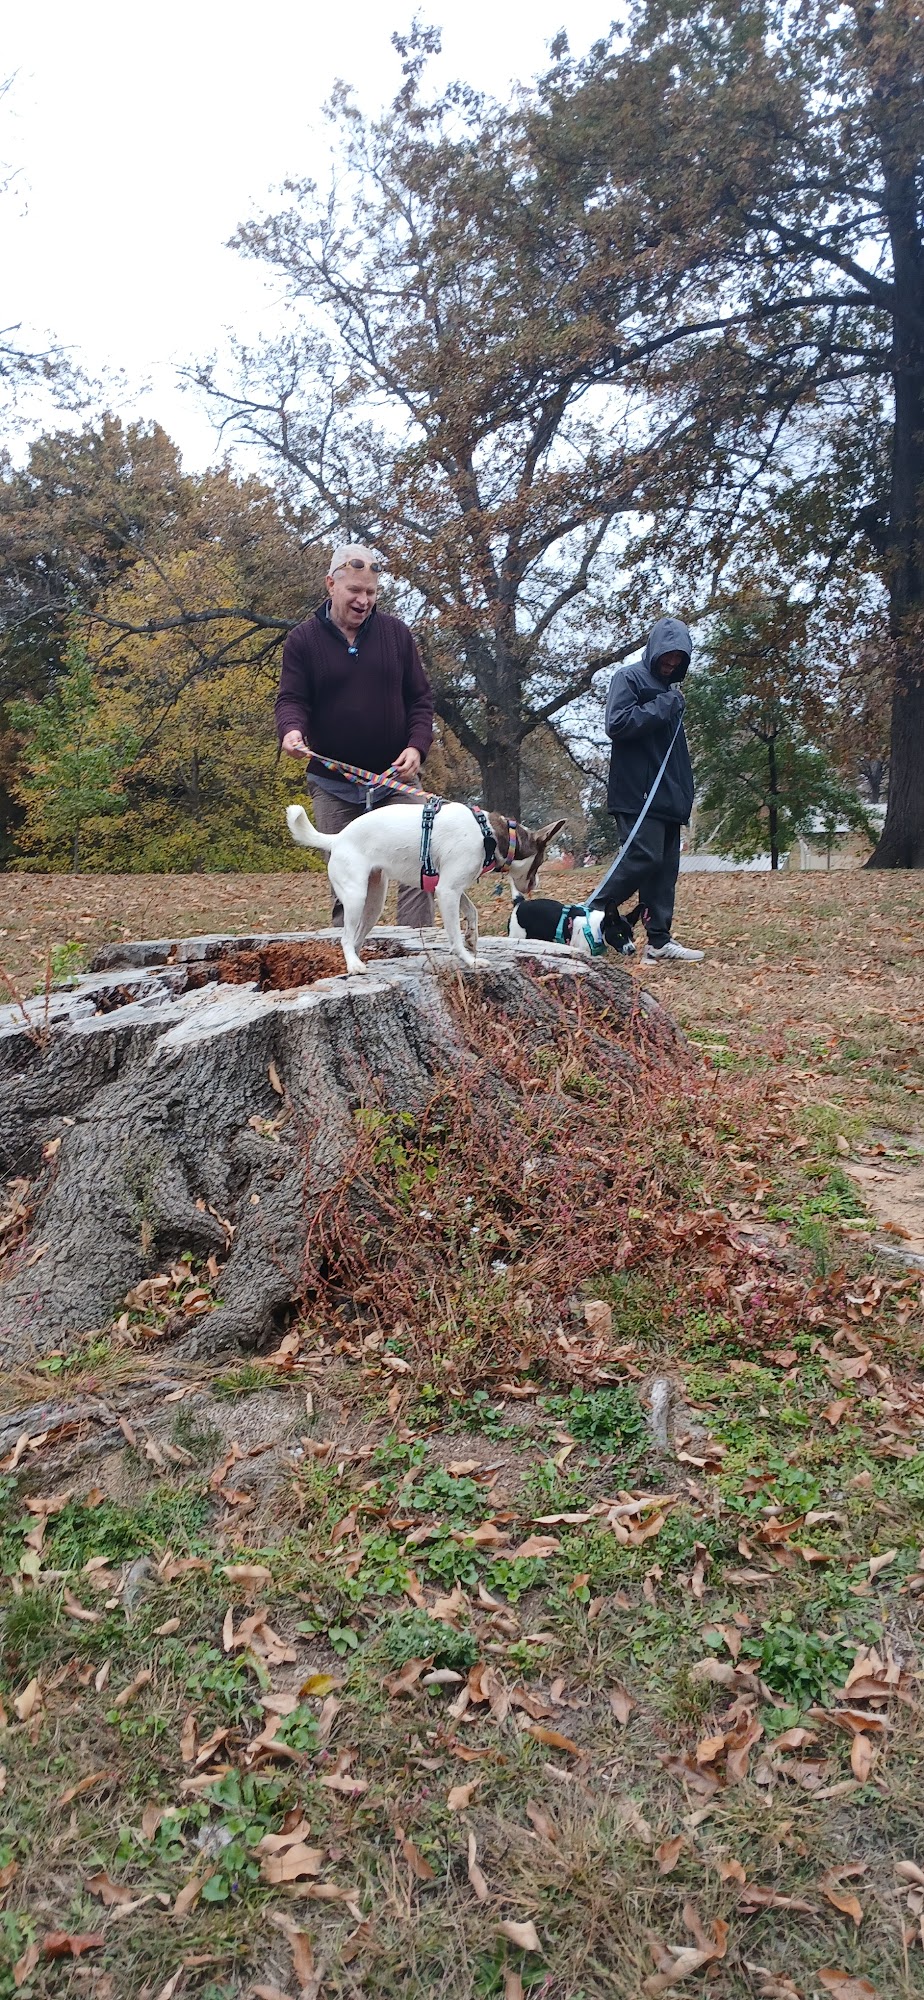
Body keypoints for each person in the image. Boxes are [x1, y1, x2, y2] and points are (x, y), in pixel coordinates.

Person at [275, 543, 436, 928]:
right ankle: (352, 953)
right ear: (331, 585)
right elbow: (291, 700)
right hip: (334, 786)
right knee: (351, 882)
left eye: (371, 592)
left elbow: (420, 700)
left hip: (396, 780)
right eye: (355, 591)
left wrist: (417, 747)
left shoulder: (396, 635)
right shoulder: (302, 641)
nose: (364, 601)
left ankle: (417, 950)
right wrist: (292, 730)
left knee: (421, 864)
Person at [588, 615, 704, 962]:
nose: (671, 664)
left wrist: (684, 792)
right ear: (654, 650)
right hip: (638, 794)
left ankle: (658, 941)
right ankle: (587, 916)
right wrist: (664, 705)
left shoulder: (672, 692)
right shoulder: (629, 678)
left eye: (678, 659)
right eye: (667, 657)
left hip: (669, 796)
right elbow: (617, 723)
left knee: (664, 869)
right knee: (643, 856)